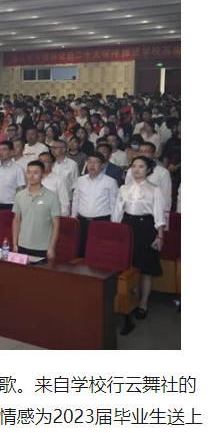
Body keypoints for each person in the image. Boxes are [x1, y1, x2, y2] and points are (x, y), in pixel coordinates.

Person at [112, 156, 167, 335]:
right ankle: (127, 303)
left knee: (145, 269)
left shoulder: (154, 189)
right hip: (127, 226)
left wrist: (160, 236)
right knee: (126, 267)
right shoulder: (124, 188)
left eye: (141, 166)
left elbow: (159, 215)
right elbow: (117, 211)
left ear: (148, 170)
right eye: (134, 166)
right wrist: (115, 232)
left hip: (146, 229)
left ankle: (143, 304)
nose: (136, 169)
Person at [71, 152, 119, 257]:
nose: (91, 165)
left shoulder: (110, 182)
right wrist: (74, 218)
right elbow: (76, 200)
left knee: (99, 250)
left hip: (102, 221)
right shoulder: (80, 180)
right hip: (82, 221)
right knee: (81, 250)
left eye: (95, 162)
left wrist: (114, 223)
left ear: (102, 165)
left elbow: (114, 204)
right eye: (89, 162)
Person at [11, 160, 62, 259]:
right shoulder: (19, 195)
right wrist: (15, 243)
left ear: (42, 175)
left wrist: (51, 248)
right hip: (22, 245)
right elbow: (16, 221)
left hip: (43, 247)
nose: (31, 176)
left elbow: (56, 225)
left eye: (35, 173)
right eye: (29, 172)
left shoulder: (52, 197)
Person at [0, 141, 25, 235]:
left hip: (10, 207)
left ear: (11, 152)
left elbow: (21, 190)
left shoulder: (18, 169)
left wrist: (19, 209)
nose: (1, 152)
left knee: (7, 233)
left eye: (4, 150)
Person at [126, 141, 172, 214]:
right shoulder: (130, 171)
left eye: (146, 151)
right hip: (133, 210)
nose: (143, 154)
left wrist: (164, 214)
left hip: (153, 211)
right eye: (140, 151)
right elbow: (127, 191)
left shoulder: (163, 172)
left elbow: (166, 196)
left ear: (154, 154)